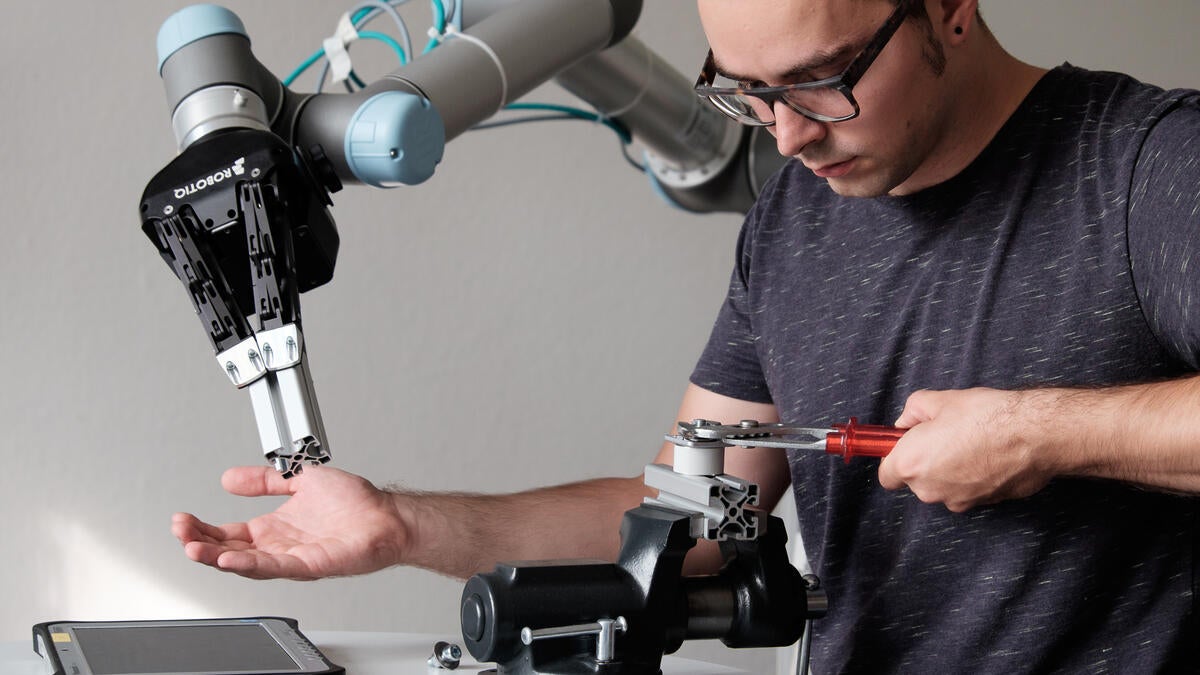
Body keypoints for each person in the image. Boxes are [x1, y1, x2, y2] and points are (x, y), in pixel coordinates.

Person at [173, 0, 1200, 671]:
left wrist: (1045, 432)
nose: (788, 134)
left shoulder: (1149, 168)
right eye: (748, 92)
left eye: (820, 78)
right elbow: (694, 513)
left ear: (949, 10)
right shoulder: (794, 222)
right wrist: (400, 524)